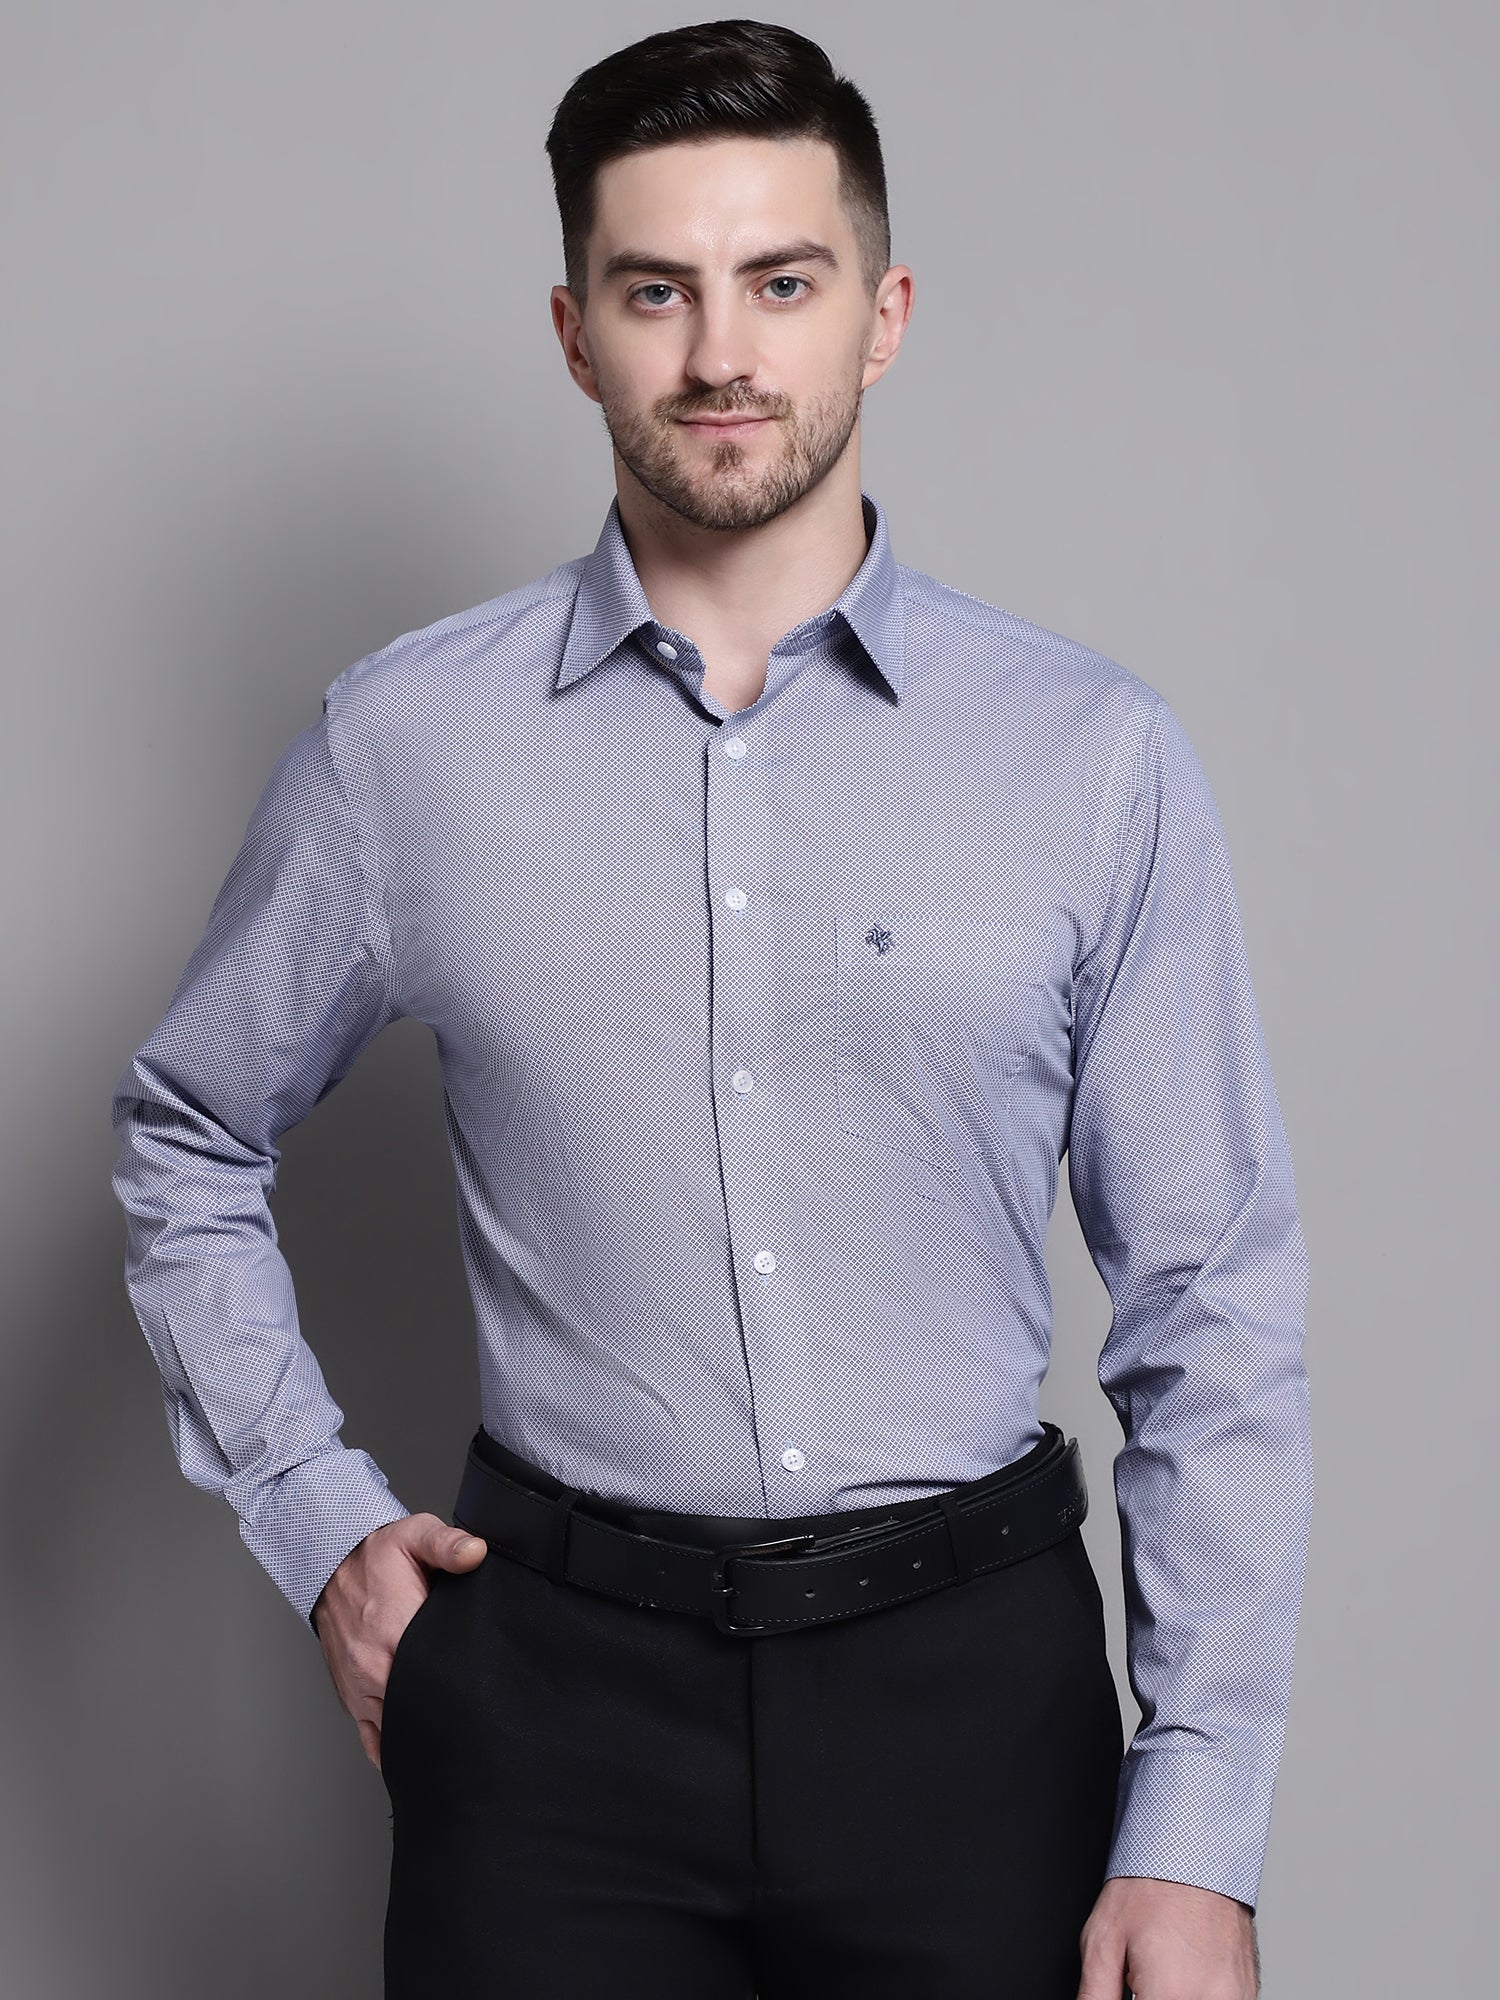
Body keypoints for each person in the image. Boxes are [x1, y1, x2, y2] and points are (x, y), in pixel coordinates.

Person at [108, 18, 1312, 1999]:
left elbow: (1212, 1300)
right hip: (551, 1716)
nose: (721, 353)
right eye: (655, 290)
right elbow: (185, 1138)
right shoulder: (406, 748)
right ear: (575, 332)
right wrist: (316, 1515)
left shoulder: (1093, 758)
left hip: (974, 1707)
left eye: (783, 281)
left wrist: (1198, 1823)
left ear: (884, 316)